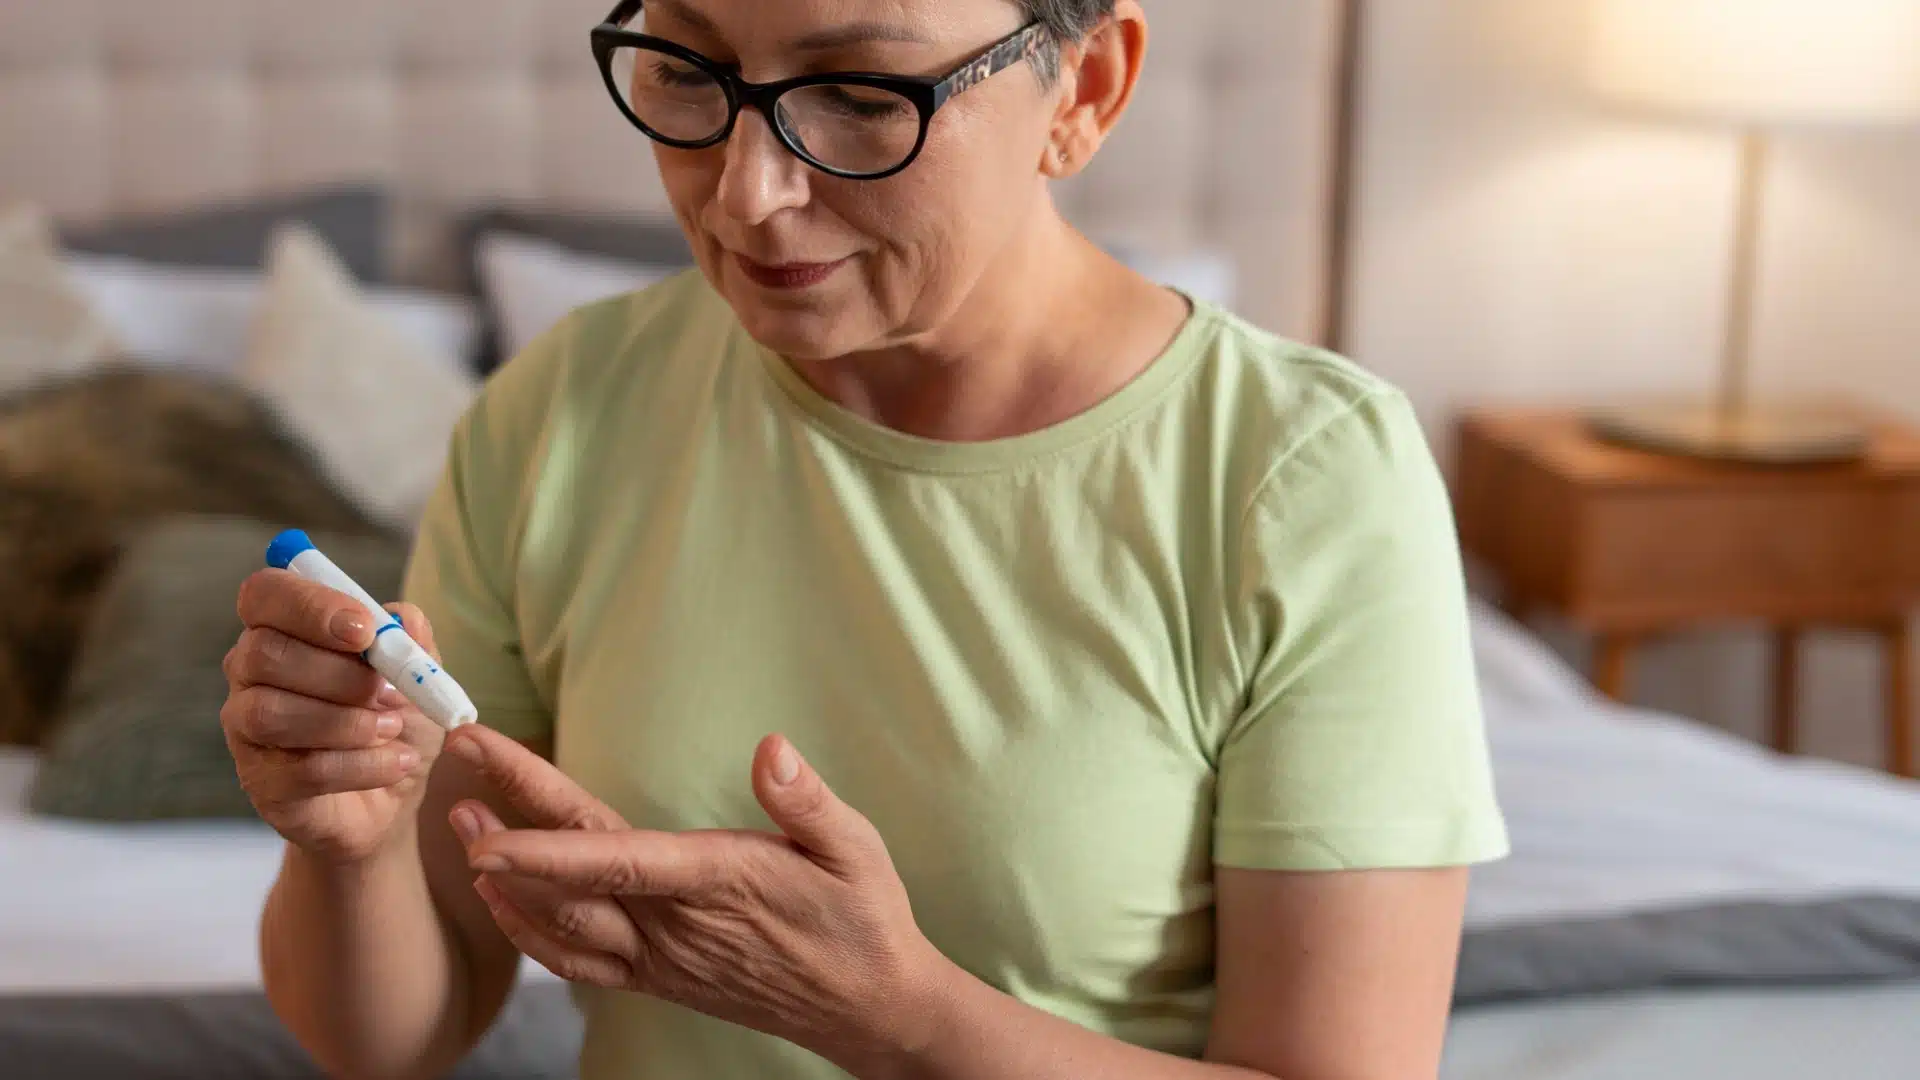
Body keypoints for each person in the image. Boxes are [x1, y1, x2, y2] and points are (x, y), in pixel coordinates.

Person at [220, 0, 1509, 1077]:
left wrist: (889, 1013)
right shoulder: (562, 412)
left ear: (1086, 89)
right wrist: (353, 848)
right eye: (687, 68)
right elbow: (395, 1037)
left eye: (859, 91)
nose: (750, 191)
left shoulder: (1298, 476)